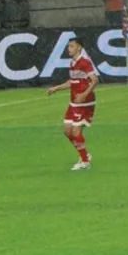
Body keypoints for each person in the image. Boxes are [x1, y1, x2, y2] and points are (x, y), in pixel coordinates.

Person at [46, 37, 99, 171]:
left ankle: (85, 162)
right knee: (67, 130)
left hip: (85, 103)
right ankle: (85, 154)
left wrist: (83, 95)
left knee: (75, 131)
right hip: (74, 102)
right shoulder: (72, 62)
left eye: (71, 46)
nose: (69, 49)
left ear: (79, 47)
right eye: (68, 46)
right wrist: (56, 88)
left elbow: (95, 80)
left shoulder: (84, 62)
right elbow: (73, 81)